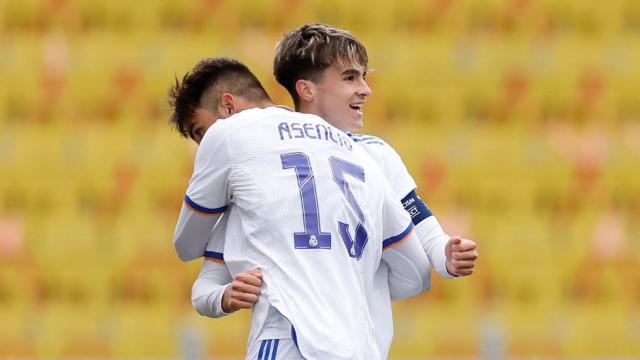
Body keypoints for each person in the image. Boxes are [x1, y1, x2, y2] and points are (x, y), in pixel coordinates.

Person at [169, 57, 431, 359]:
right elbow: (417, 271)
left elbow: (186, 246)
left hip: (290, 340)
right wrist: (348, 282)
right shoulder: (355, 150)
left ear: (228, 107)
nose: (202, 149)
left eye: (200, 133)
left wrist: (223, 297)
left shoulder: (231, 139)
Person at [272, 23, 479, 356]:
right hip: (291, 345)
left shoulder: (376, 154)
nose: (366, 89)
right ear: (306, 90)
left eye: (364, 77)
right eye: (350, 78)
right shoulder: (267, 153)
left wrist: (447, 256)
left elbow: (424, 228)